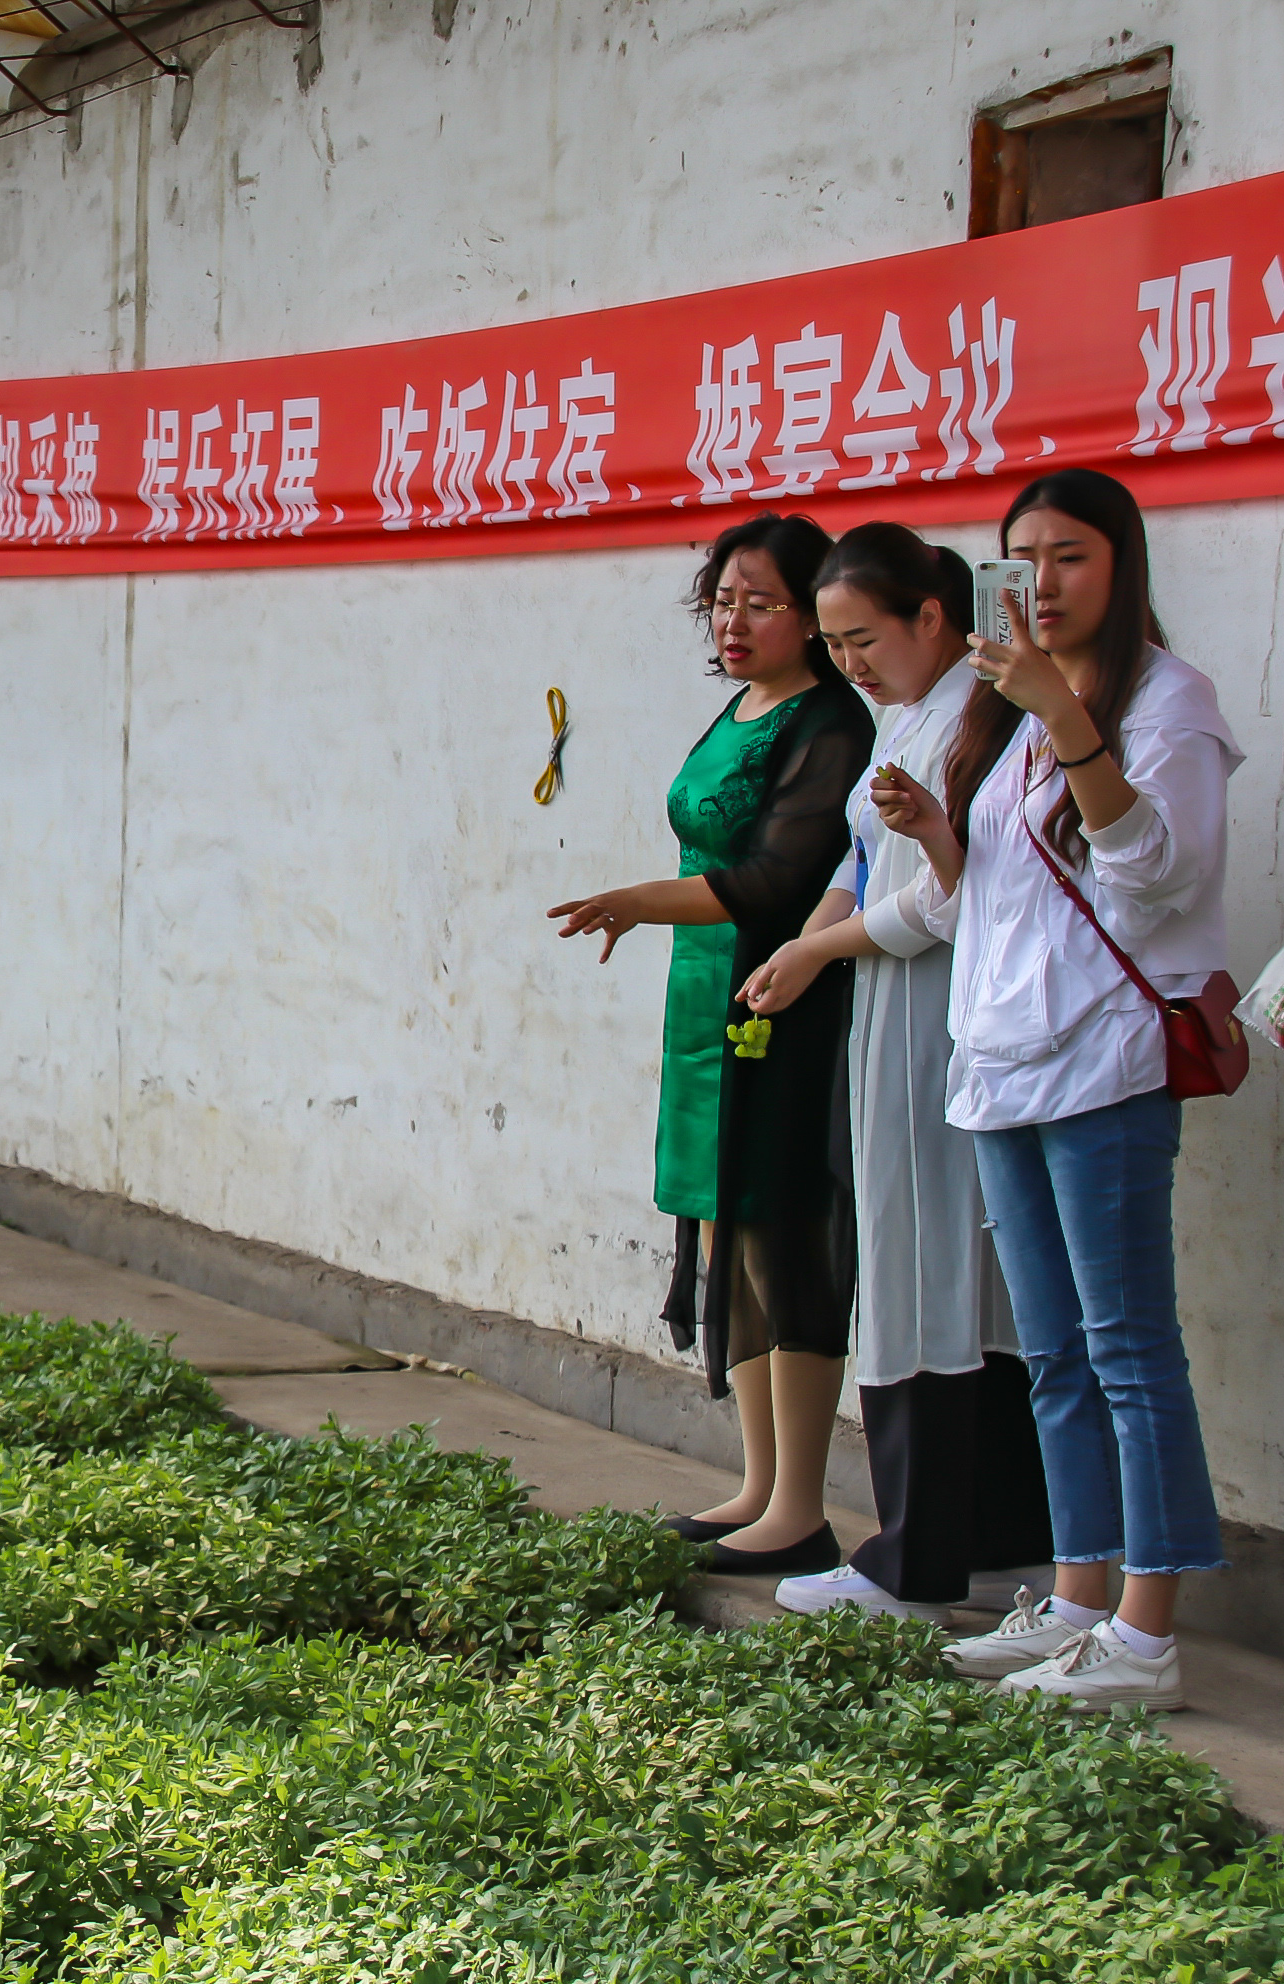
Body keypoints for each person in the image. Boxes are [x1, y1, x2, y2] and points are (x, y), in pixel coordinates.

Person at [871, 467, 1240, 1708]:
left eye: (1070, 555)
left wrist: (1070, 725)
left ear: (1123, 564)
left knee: (1131, 1343)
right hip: (1006, 1062)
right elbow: (998, 902)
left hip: (1108, 1063)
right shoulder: (1006, 709)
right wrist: (936, 832)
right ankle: (1077, 1599)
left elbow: (1154, 883)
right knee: (1056, 1355)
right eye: (1022, 555)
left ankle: (1150, 1626)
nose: (1043, 580)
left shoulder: (1169, 704)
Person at [734, 522, 1053, 1621]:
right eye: (836, 643)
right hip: (894, 1009)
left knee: (932, 1277)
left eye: (866, 637)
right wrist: (805, 944)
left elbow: (937, 902)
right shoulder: (913, 714)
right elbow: (862, 862)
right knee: (937, 1273)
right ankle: (984, 1541)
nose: (852, 664)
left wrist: (821, 946)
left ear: (935, 616)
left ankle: (923, 1557)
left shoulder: (982, 715)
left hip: (937, 1015)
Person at [550, 513, 873, 1575]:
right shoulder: (743, 707)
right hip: (704, 997)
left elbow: (783, 879)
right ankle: (756, 1483)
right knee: (728, 1231)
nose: (734, 621)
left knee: (783, 1237)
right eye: (723, 600)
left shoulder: (832, 724)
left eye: (760, 602)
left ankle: (802, 1503)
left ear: (813, 618)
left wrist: (640, 899)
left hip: (781, 997)